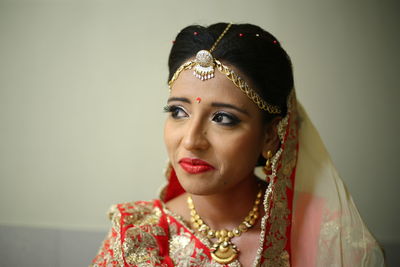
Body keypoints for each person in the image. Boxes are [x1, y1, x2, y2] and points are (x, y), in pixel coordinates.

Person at [90, 23, 385, 267]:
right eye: (178, 112)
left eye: (223, 118)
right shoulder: (136, 237)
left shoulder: (329, 235)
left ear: (270, 134)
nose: (192, 140)